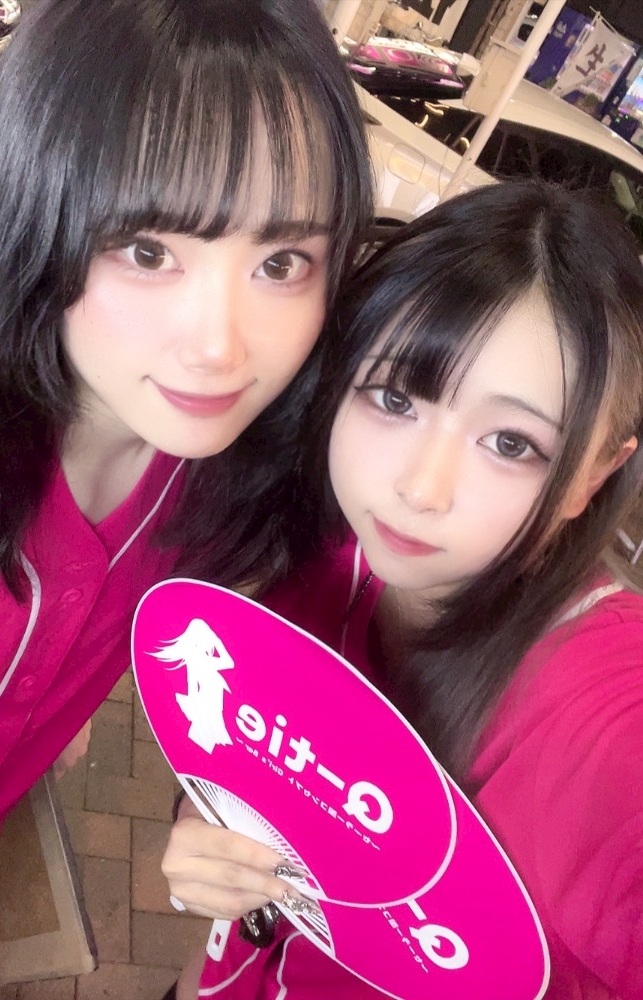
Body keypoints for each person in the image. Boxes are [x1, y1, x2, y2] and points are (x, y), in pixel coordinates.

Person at [0, 0, 374, 994]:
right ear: (36, 217)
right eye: (150, 251)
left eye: (282, 263)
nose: (220, 346)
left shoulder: (214, 481)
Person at [161, 180, 643, 999]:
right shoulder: (329, 559)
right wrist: (205, 831)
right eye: (394, 398)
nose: (420, 487)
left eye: (511, 443)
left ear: (593, 476)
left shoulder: (602, 725)